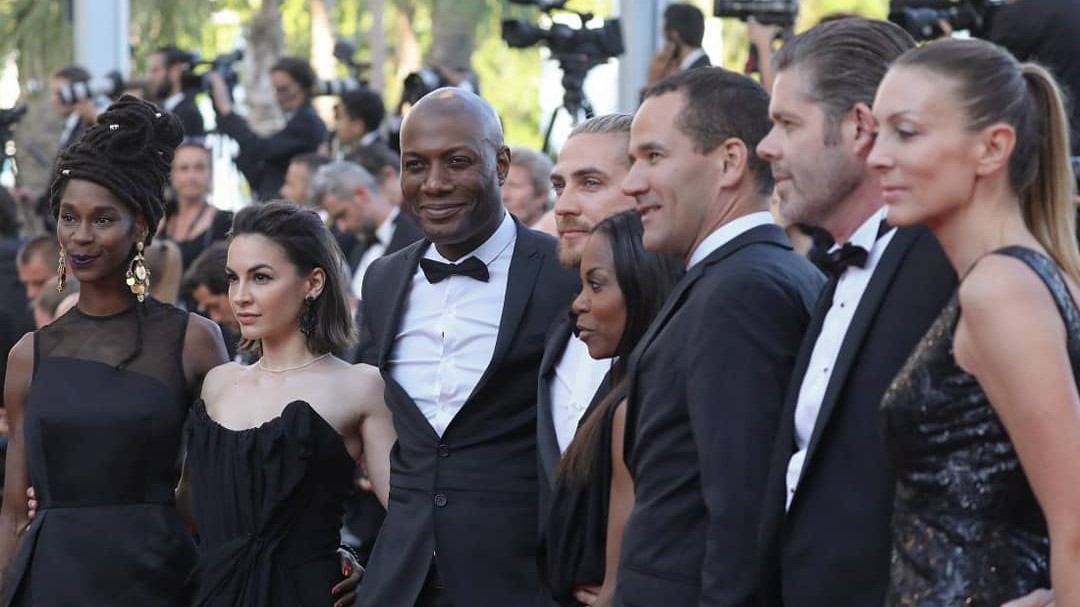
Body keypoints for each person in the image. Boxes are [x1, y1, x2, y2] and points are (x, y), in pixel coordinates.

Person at [867, 37, 1080, 606]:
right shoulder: (1018, 278)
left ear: (992, 148)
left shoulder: (1001, 290)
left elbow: (1076, 523)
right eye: (877, 131)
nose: (877, 156)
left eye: (906, 132)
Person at [752, 18, 957, 607]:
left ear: (859, 128)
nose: (768, 146)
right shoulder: (837, 269)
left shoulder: (946, 267)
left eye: (787, 123)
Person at [354, 87, 578, 607]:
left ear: (501, 165)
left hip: (523, 579)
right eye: (416, 165)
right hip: (399, 580)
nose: (434, 184)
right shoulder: (383, 279)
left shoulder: (566, 273)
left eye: (457, 162)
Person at [0, 95, 227, 606]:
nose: (80, 236)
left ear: (140, 227)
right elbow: (14, 513)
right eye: (68, 217)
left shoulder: (193, 340)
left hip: (159, 581)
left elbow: (225, 486)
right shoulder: (27, 356)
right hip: (51, 582)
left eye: (103, 219)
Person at [614, 67, 823, 606]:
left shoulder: (742, 290)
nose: (632, 182)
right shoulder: (740, 277)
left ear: (729, 161)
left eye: (653, 157)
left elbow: (744, 511)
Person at [187, 201, 396, 607]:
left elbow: (410, 514)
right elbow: (186, 503)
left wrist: (372, 573)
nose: (240, 296)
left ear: (313, 283)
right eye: (233, 278)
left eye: (261, 277)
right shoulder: (217, 383)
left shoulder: (360, 385)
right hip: (214, 593)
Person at [542, 209, 682, 607]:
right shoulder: (624, 388)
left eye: (597, 285)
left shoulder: (633, 405)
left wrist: (610, 595)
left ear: (644, 285)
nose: (578, 304)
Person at [538, 113, 636, 533]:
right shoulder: (558, 316)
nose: (564, 206)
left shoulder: (684, 322)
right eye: (559, 186)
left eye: (590, 183)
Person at [209, 57, 328, 201]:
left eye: (284, 89)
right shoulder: (296, 120)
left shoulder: (307, 122)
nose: (280, 96)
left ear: (303, 86)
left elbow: (261, 149)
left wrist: (227, 110)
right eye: (276, 90)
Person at [310, 161, 422, 299]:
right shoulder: (353, 244)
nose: (342, 227)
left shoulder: (416, 240)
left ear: (361, 194)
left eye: (342, 215)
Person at [161, 141, 232, 271]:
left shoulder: (225, 222)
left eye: (199, 167)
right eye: (184, 168)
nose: (191, 176)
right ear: (172, 175)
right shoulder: (161, 219)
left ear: (210, 174)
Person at [646, 3, 711, 87]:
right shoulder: (700, 70)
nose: (663, 48)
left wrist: (653, 81)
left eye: (665, 38)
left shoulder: (694, 77)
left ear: (674, 34)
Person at [147, 46, 204, 138]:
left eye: (155, 70)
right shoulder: (165, 110)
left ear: (175, 71)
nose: (149, 77)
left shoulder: (188, 114)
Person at [327, 89, 387, 160]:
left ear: (357, 126)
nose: (336, 126)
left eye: (339, 117)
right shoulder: (377, 152)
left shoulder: (367, 160)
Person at [503, 146, 553, 227]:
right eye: (500, 185)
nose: (503, 196)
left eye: (514, 186)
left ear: (541, 195)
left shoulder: (558, 237)